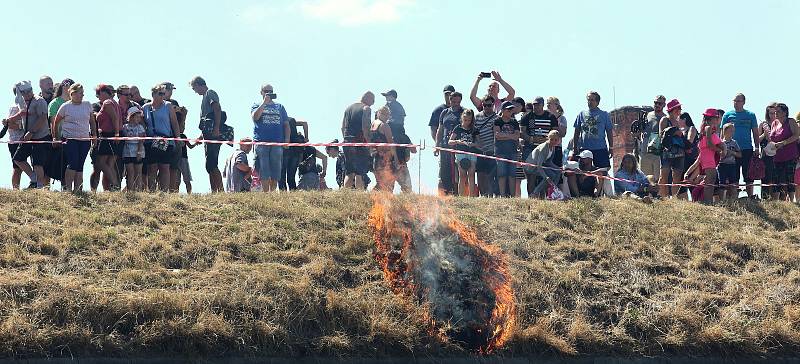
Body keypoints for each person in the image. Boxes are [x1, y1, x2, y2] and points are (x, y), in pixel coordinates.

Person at [52, 83, 96, 192]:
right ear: (73, 93)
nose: (82, 95)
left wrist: (94, 135)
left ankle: (78, 190)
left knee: (80, 165)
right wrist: (55, 137)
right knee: (73, 163)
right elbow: (56, 122)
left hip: (85, 140)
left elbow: (92, 121)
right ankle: (67, 189)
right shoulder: (65, 107)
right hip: (70, 139)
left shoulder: (87, 105)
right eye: (80, 93)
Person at [12, 80, 51, 189]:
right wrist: (10, 119)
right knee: (18, 158)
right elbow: (22, 113)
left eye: (29, 90)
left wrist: (31, 132)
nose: (28, 93)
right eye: (24, 92)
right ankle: (33, 177)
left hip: (40, 137)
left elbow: (43, 118)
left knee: (38, 164)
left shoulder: (39, 101)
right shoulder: (23, 102)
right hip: (28, 137)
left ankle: (39, 186)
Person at [572, 91, 613, 195]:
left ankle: (600, 194)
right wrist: (574, 147)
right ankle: (581, 193)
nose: (590, 102)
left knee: (602, 172)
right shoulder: (581, 114)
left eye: (592, 100)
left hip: (600, 148)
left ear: (598, 102)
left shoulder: (604, 115)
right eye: (588, 100)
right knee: (580, 171)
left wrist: (611, 147)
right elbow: (577, 131)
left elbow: (609, 131)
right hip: (584, 149)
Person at [251, 84, 290, 192]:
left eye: (270, 91)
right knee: (264, 169)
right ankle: (265, 193)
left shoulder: (280, 107)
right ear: (261, 92)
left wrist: (287, 140)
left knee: (276, 169)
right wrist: (264, 103)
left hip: (277, 142)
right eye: (266, 91)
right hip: (261, 142)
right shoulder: (256, 105)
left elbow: (286, 124)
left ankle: (272, 193)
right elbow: (255, 117)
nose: (268, 93)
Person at [520, 96, 561, 197]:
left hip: (547, 147)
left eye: (537, 104)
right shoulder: (526, 116)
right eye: (534, 104)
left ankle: (544, 196)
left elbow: (556, 132)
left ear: (542, 105)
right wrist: (531, 139)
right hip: (530, 148)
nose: (535, 106)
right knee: (531, 175)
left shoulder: (551, 116)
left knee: (546, 173)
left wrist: (548, 140)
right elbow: (522, 132)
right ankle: (532, 196)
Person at [143, 84, 180, 192]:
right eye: (160, 93)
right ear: (153, 94)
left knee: (164, 166)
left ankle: (164, 192)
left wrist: (177, 139)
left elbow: (174, 123)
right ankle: (152, 191)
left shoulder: (168, 106)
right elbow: (143, 123)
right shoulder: (146, 107)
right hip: (150, 141)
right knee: (152, 167)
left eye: (164, 93)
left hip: (165, 140)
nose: (162, 96)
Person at [722, 93, 760, 198]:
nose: (736, 103)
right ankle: (734, 197)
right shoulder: (727, 115)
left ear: (744, 102)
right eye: (734, 100)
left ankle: (750, 196)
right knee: (733, 175)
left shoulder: (750, 115)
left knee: (748, 174)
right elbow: (722, 133)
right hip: (730, 148)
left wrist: (757, 147)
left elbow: (755, 133)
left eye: (738, 101)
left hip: (746, 148)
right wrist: (722, 148)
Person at [190, 76, 224, 192]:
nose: (195, 91)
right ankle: (214, 191)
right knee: (209, 165)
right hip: (207, 134)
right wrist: (201, 136)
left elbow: (217, 109)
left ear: (199, 85)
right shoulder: (205, 97)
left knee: (212, 163)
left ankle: (220, 190)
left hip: (213, 134)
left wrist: (216, 128)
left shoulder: (210, 93)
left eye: (194, 88)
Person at [686, 108, 724, 204]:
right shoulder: (708, 128)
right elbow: (710, 144)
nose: (717, 120)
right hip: (708, 156)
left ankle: (708, 200)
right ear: (712, 118)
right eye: (716, 117)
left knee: (710, 179)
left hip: (708, 156)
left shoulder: (707, 128)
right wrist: (720, 150)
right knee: (710, 179)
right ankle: (708, 201)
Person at [3, 86, 37, 189]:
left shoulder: (28, 104)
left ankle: (33, 181)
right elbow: (10, 125)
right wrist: (24, 127)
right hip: (16, 140)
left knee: (20, 166)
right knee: (17, 167)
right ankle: (18, 189)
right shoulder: (15, 107)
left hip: (26, 139)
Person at [90, 84, 121, 192]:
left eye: (99, 93)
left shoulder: (107, 103)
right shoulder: (114, 103)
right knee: (109, 164)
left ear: (103, 92)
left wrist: (116, 134)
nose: (98, 96)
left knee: (101, 162)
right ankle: (114, 186)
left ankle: (115, 184)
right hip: (112, 135)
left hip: (109, 135)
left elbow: (115, 119)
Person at [341, 92, 374, 190]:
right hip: (360, 143)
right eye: (373, 101)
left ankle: (345, 194)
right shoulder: (366, 108)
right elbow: (365, 127)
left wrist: (346, 139)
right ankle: (359, 195)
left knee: (349, 172)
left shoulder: (348, 108)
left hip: (347, 142)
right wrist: (369, 143)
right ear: (368, 98)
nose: (372, 103)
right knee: (360, 172)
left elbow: (342, 127)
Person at [434, 91, 465, 195]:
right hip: (445, 146)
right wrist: (437, 145)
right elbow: (440, 129)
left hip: (459, 147)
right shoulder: (444, 112)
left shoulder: (464, 112)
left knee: (458, 172)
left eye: (458, 102)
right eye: (454, 101)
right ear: (450, 100)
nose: (456, 104)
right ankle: (447, 194)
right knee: (444, 172)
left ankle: (457, 194)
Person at [768, 103, 799, 201]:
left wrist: (784, 143)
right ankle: (777, 200)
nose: (776, 113)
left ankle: (791, 200)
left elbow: (796, 136)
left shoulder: (791, 121)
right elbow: (772, 138)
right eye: (775, 111)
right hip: (777, 155)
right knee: (776, 177)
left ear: (785, 112)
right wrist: (772, 145)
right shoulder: (774, 123)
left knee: (790, 177)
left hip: (790, 154)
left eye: (778, 111)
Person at [658, 99, 687, 198]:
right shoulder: (665, 120)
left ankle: (674, 198)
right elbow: (661, 134)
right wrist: (674, 132)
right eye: (678, 108)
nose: (680, 110)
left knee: (677, 176)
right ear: (673, 109)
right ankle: (663, 197)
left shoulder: (679, 121)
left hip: (679, 152)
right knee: (664, 175)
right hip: (667, 151)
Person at [448, 108, 480, 197]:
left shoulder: (474, 129)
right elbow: (450, 142)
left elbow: (479, 144)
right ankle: (461, 196)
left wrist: (472, 144)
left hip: (472, 153)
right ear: (462, 118)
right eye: (465, 120)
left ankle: (472, 196)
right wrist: (458, 141)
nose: (467, 122)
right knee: (462, 175)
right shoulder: (458, 128)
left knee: (471, 174)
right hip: (460, 153)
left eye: (469, 120)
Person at [493, 101, 520, 197]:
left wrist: (504, 135)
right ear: (503, 110)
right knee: (501, 174)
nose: (510, 112)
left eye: (511, 110)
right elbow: (497, 135)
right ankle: (502, 195)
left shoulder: (514, 122)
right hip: (500, 152)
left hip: (512, 151)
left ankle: (512, 196)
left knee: (512, 175)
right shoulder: (497, 121)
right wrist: (510, 136)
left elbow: (517, 136)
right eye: (508, 110)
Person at [474, 95, 499, 197]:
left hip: (492, 151)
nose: (487, 107)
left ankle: (490, 195)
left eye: (489, 105)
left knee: (491, 175)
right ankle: (483, 194)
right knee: (480, 174)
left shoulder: (497, 118)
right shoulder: (476, 117)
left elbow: (496, 135)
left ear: (493, 105)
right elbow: (474, 132)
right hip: (479, 150)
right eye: (485, 105)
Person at [526, 130, 563, 199]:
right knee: (550, 175)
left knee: (558, 172)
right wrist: (546, 177)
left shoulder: (553, 147)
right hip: (531, 167)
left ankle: (552, 191)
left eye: (556, 140)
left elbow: (549, 162)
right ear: (548, 138)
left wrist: (558, 168)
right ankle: (535, 193)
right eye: (551, 139)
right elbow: (539, 165)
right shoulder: (544, 148)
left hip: (540, 166)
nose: (554, 141)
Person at [370, 106, 398, 191]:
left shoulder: (373, 124)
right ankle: (387, 201)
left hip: (375, 156)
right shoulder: (384, 125)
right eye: (387, 115)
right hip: (386, 158)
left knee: (380, 183)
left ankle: (372, 199)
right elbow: (391, 143)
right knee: (389, 182)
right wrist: (396, 158)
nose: (387, 117)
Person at [638, 95, 666, 177]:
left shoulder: (665, 118)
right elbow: (641, 130)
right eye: (655, 102)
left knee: (657, 178)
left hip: (657, 152)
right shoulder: (647, 115)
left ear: (664, 105)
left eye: (659, 103)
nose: (657, 105)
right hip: (645, 150)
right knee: (645, 178)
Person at [280, 118, 309, 191]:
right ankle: (293, 194)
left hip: (284, 150)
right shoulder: (291, 120)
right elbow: (304, 123)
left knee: (281, 176)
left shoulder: (280, 120)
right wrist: (306, 138)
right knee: (291, 177)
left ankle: (283, 196)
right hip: (295, 151)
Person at [121, 106, 146, 191]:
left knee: (138, 172)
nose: (139, 119)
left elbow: (141, 140)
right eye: (137, 116)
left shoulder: (140, 127)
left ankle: (138, 191)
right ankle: (130, 191)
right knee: (130, 172)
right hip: (127, 152)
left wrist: (139, 152)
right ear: (131, 116)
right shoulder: (125, 127)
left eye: (140, 117)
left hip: (138, 152)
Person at [718, 123, 741, 200]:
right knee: (722, 184)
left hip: (732, 165)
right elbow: (718, 154)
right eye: (731, 130)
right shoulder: (720, 143)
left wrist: (732, 152)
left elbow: (740, 154)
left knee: (733, 184)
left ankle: (734, 201)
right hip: (722, 165)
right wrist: (723, 153)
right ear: (725, 131)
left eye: (733, 130)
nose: (732, 132)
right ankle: (722, 201)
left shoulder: (734, 142)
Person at [759, 103, 777, 199]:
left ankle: (775, 199)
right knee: (765, 176)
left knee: (775, 177)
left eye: (774, 113)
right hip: (765, 153)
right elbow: (757, 139)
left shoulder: (779, 124)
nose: (773, 115)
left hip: (777, 153)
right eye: (770, 113)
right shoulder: (763, 124)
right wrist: (764, 134)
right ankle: (765, 198)